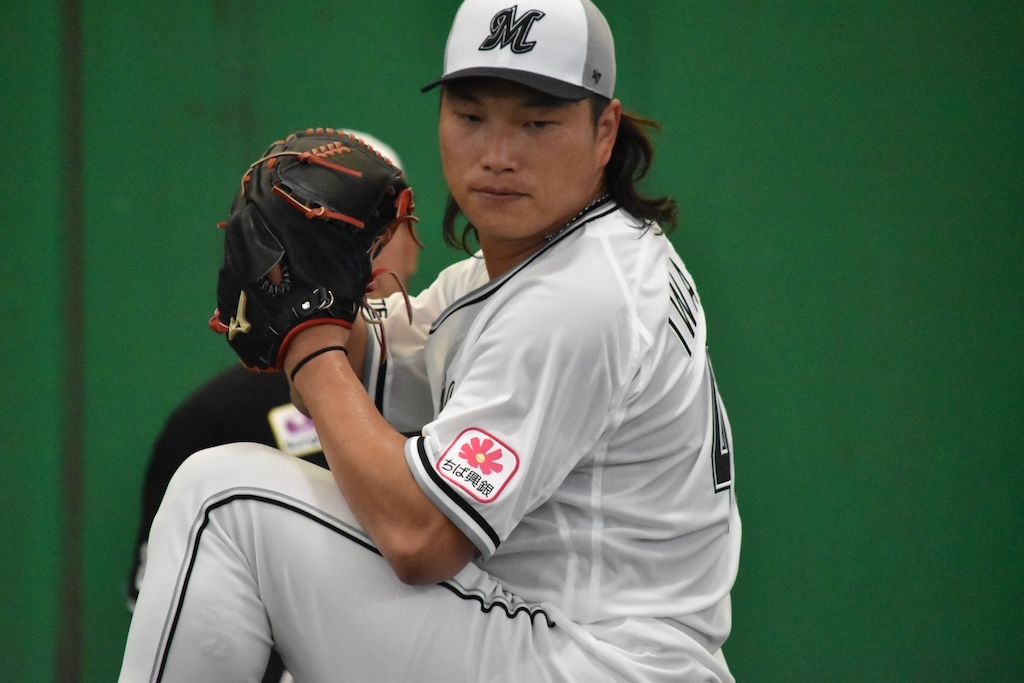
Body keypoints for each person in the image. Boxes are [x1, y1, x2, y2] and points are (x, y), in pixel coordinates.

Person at [119, 1, 740, 681]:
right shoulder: (550, 264)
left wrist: (308, 338)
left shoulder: (577, 296)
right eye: (471, 117)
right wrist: (304, 288)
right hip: (566, 642)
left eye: (537, 123)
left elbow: (420, 539)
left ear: (604, 131)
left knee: (220, 499)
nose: (498, 155)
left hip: (597, 660)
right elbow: (381, 365)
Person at [125, 132, 420, 683]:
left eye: (374, 229)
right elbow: (171, 608)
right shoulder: (218, 420)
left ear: (411, 241)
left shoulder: (461, 378)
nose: (350, 252)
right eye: (320, 231)